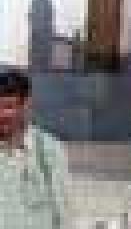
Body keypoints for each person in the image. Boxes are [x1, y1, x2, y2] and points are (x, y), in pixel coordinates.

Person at [0, 67, 72, 228]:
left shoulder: (48, 151)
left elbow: (63, 212)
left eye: (8, 107)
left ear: (25, 105)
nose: (1, 115)